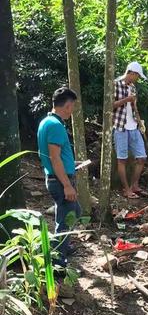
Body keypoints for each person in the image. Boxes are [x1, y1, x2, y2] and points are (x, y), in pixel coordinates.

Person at [37, 87, 81, 266]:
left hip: (58, 177)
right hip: (60, 180)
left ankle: (61, 246)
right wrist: (67, 185)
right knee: (67, 217)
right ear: (68, 106)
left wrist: (72, 164)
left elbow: (55, 156)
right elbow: (54, 158)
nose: (72, 111)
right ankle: (58, 261)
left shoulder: (47, 122)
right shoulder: (55, 125)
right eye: (73, 107)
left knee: (71, 212)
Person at [113, 61, 148, 199]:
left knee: (142, 157)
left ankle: (134, 185)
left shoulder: (133, 87)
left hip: (133, 126)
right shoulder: (115, 84)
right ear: (131, 73)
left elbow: (134, 108)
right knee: (122, 159)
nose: (137, 79)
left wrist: (140, 122)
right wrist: (126, 99)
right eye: (137, 76)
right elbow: (110, 105)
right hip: (120, 126)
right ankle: (126, 189)